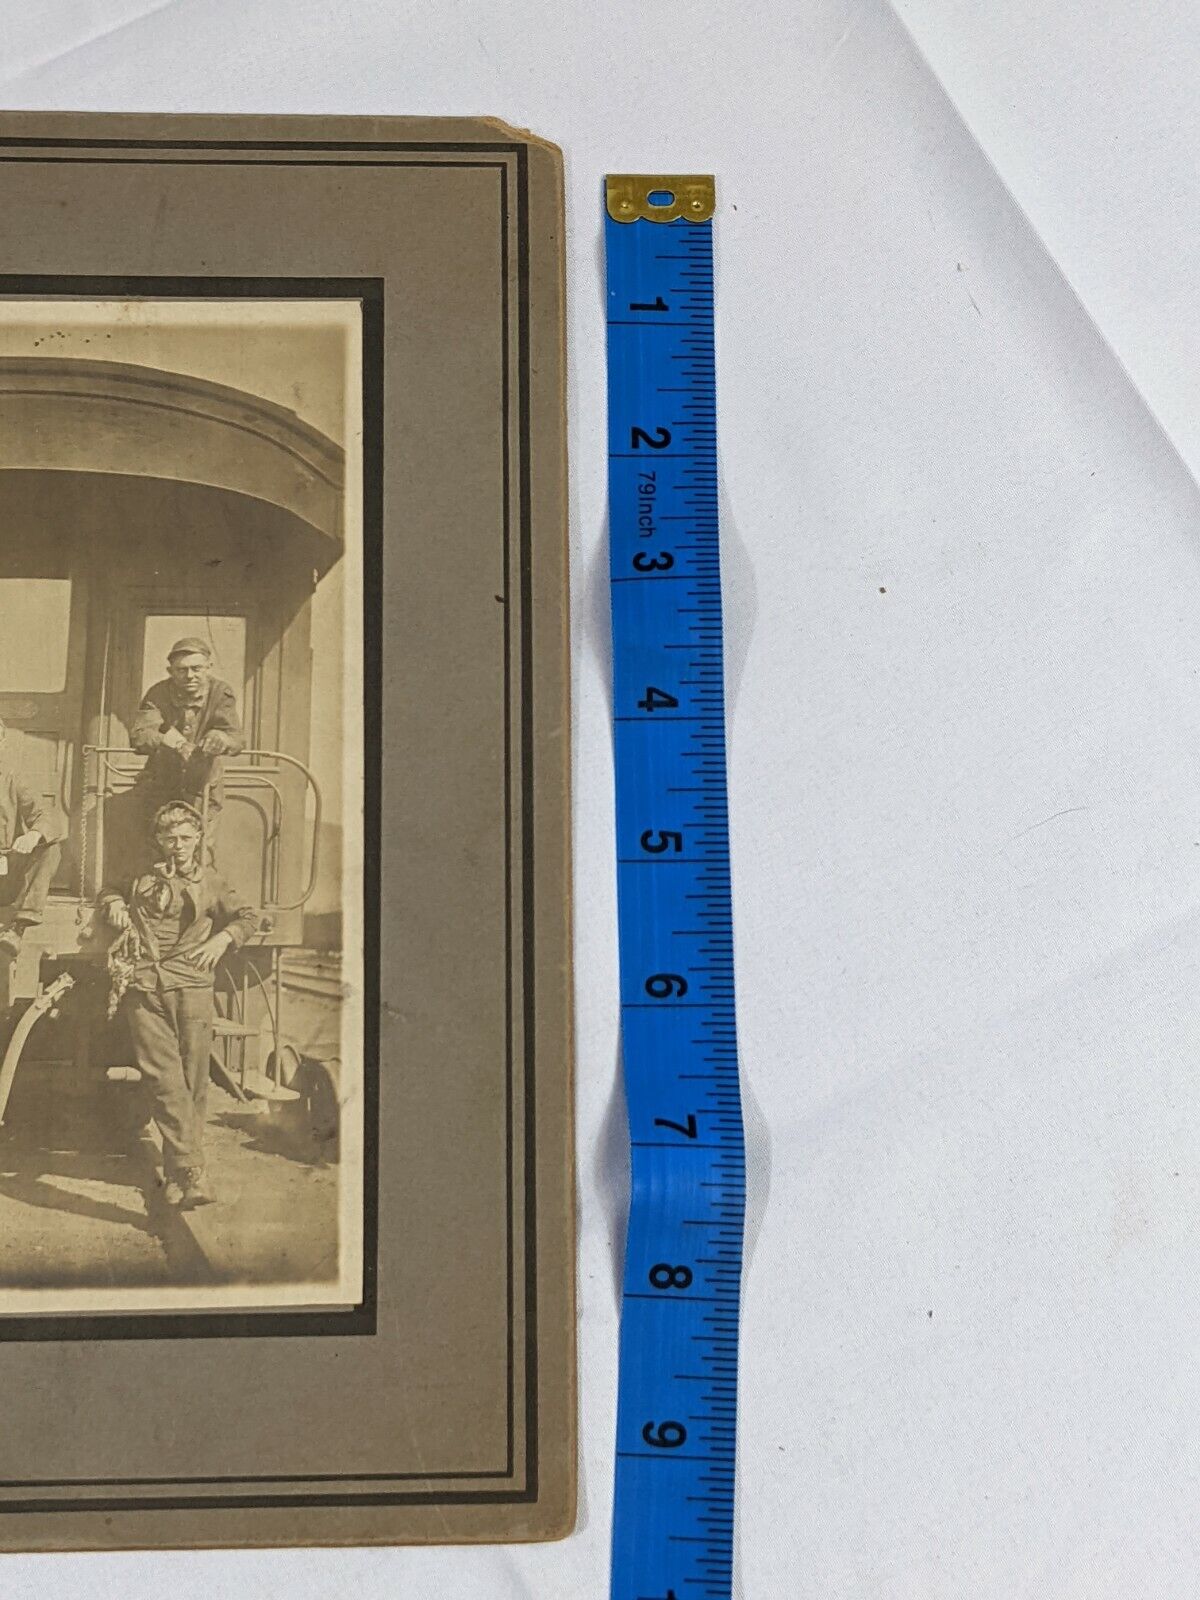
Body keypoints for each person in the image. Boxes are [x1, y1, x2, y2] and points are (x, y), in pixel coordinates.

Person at [100, 801, 257, 1208]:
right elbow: (110, 889)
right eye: (170, 838)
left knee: (192, 1079)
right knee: (163, 1078)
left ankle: (177, 1172)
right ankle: (194, 1170)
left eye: (186, 837)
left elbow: (249, 917)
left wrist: (223, 939)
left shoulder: (213, 882)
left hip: (192, 984)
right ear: (158, 840)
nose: (178, 845)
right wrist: (114, 903)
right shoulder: (140, 877)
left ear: (199, 839)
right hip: (144, 984)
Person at [129, 636, 244, 848]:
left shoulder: (221, 693)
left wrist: (220, 738)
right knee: (156, 850)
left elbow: (236, 738)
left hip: (203, 789)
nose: (190, 675)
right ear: (170, 671)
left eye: (197, 668)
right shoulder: (158, 693)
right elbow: (140, 736)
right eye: (182, 670)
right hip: (160, 786)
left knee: (201, 853)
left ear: (208, 667)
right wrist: (174, 743)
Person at [0, 717, 67, 961]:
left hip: (5, 875)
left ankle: (18, 929)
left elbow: (46, 815)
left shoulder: (12, 778)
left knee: (51, 847)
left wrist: (33, 834)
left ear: (2, 742)